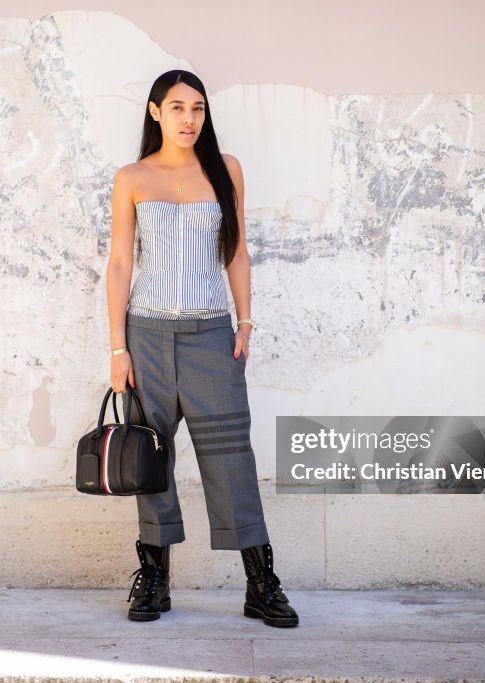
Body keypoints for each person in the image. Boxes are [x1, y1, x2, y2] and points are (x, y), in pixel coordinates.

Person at [105, 69, 299, 627]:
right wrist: (118, 348)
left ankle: (261, 584)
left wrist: (245, 323)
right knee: (151, 457)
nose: (189, 118)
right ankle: (155, 581)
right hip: (145, 334)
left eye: (198, 109)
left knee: (232, 456)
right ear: (155, 112)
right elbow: (120, 265)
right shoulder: (132, 177)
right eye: (178, 107)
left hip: (213, 335)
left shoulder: (226, 170)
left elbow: (236, 252)